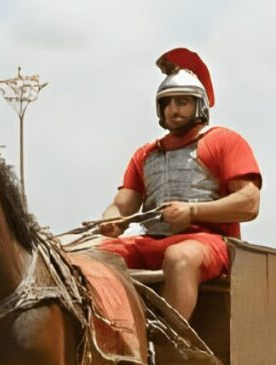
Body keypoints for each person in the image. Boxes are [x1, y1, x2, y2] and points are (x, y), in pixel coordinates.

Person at [98, 47, 262, 320]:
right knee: (89, 255)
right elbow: (122, 205)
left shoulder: (224, 141)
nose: (173, 110)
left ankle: (169, 338)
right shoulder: (145, 154)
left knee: (179, 257)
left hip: (207, 243)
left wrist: (192, 211)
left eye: (182, 102)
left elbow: (249, 203)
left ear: (199, 105)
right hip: (151, 241)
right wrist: (111, 220)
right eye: (167, 103)